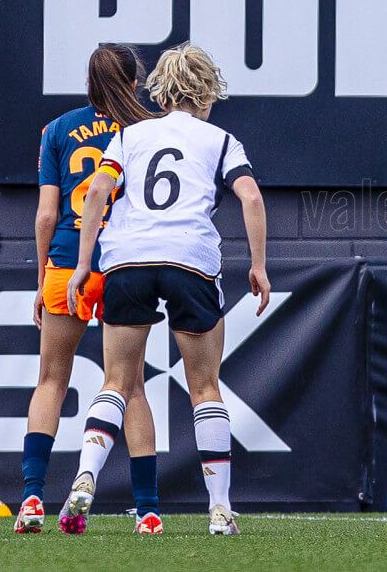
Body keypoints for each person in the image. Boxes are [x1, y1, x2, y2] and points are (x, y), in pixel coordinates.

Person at [60, 43, 271, 537]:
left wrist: (84, 264)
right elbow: (251, 196)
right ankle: (219, 508)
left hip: (128, 260)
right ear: (206, 90)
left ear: (162, 89)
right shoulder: (220, 139)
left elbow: (96, 192)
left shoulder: (132, 135)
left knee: (116, 381)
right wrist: (259, 265)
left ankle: (85, 475)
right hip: (190, 260)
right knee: (204, 387)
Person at [15, 44, 162, 535]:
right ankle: (147, 511)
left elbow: (45, 214)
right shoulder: (146, 129)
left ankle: (32, 497)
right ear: (134, 81)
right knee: (131, 386)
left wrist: (41, 280)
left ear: (89, 82)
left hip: (65, 264)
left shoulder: (57, 130)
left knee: (50, 381)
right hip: (123, 266)